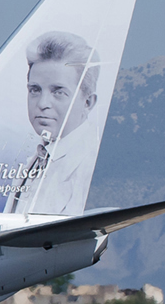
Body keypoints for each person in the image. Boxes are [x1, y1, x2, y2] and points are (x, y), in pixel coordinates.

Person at [7, 31, 101, 214]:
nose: (42, 104)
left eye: (58, 92)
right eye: (35, 90)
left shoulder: (88, 167)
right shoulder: (35, 160)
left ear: (88, 102)